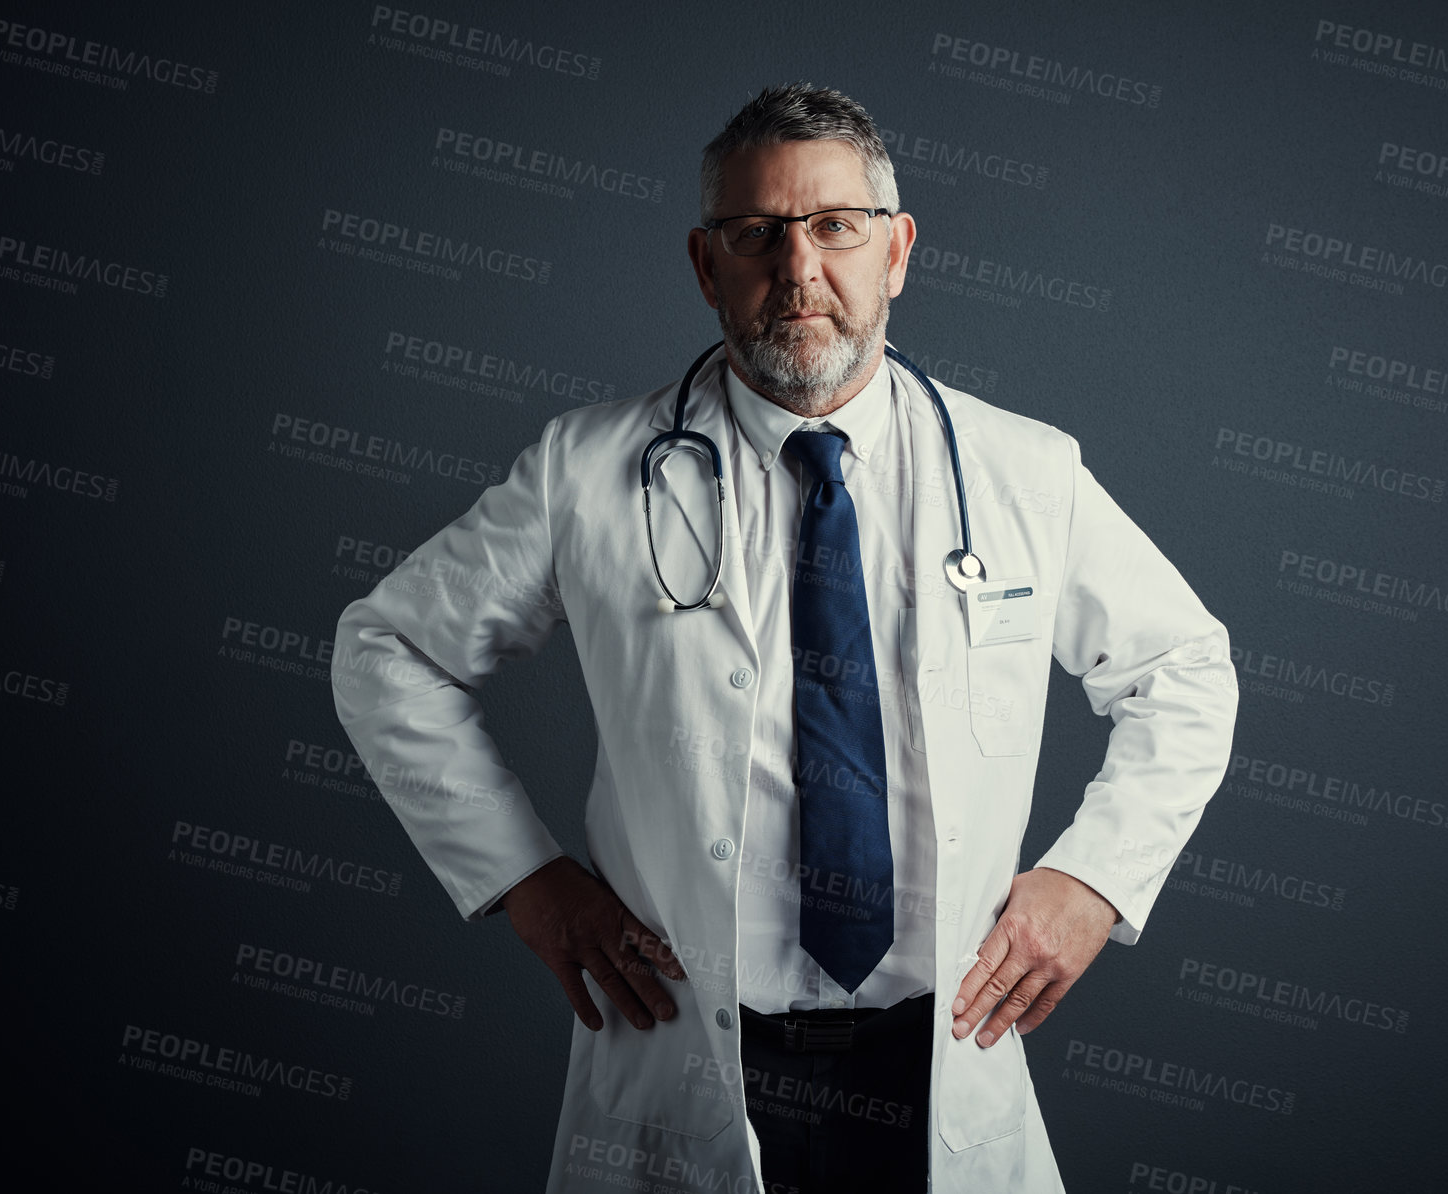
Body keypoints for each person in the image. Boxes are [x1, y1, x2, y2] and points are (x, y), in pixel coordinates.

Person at [331, 83, 1237, 1194]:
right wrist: (525, 878)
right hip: (692, 1056)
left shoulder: (1021, 472)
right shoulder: (587, 471)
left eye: (836, 227)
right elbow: (388, 653)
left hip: (939, 1054)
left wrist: (1092, 881)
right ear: (708, 266)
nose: (799, 271)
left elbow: (1182, 670)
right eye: (757, 233)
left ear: (897, 251)